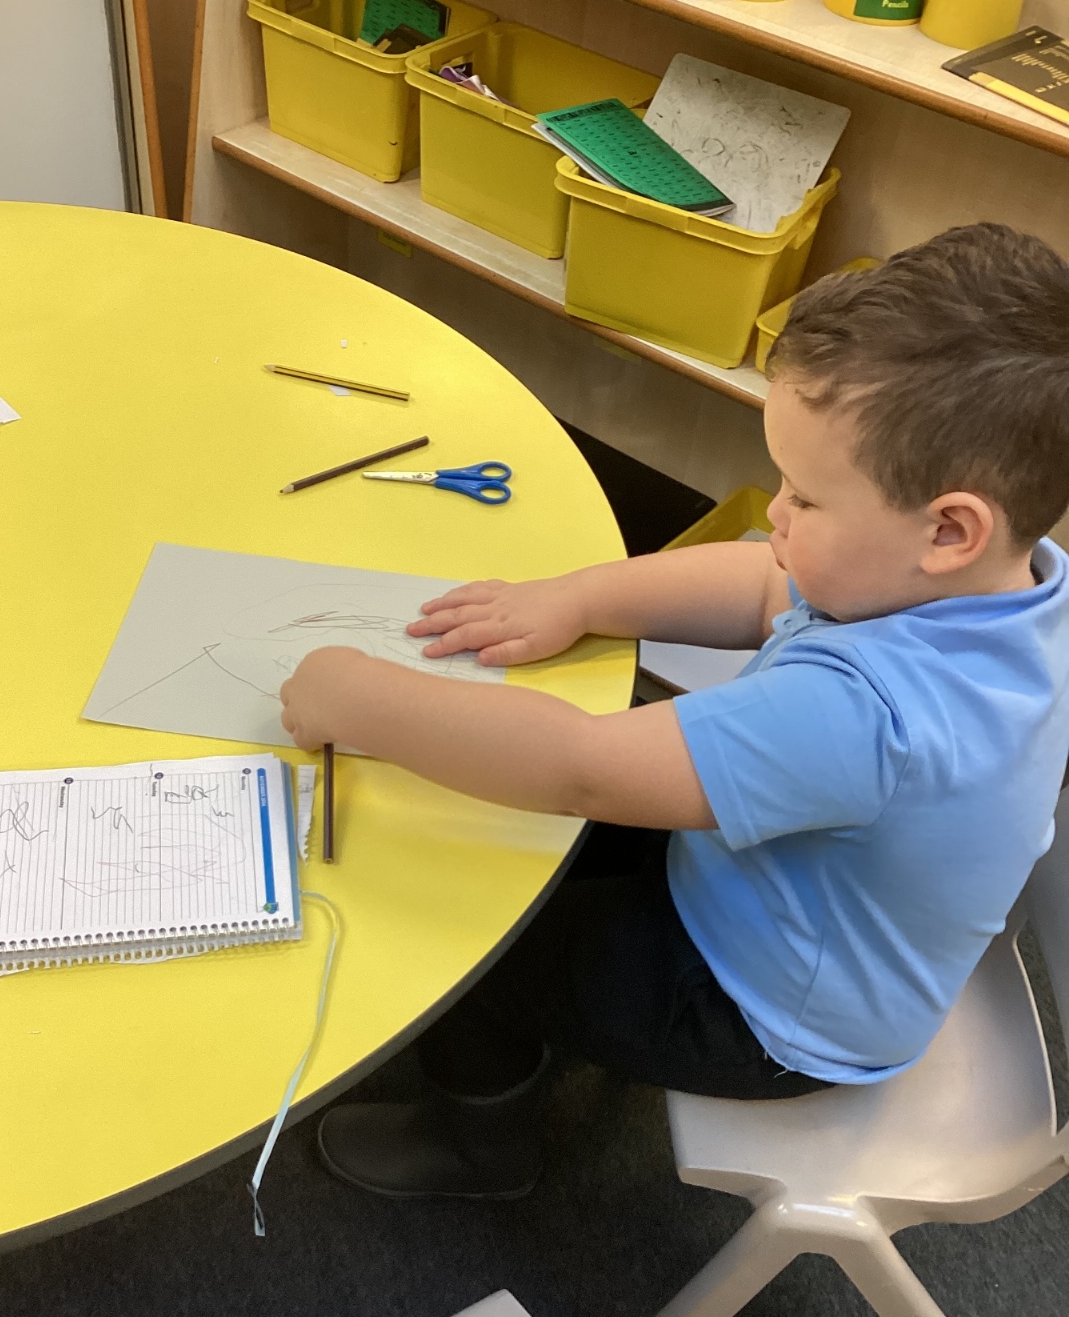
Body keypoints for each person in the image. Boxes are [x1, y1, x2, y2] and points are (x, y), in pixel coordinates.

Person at [279, 222, 1069, 1201]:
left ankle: (478, 1149)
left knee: (479, 944)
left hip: (760, 1011)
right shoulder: (1010, 580)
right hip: (805, 903)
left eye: (806, 498)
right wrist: (578, 596)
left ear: (949, 529)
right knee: (511, 834)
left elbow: (583, 767)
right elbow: (761, 582)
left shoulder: (871, 715)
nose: (774, 515)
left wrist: (363, 701)